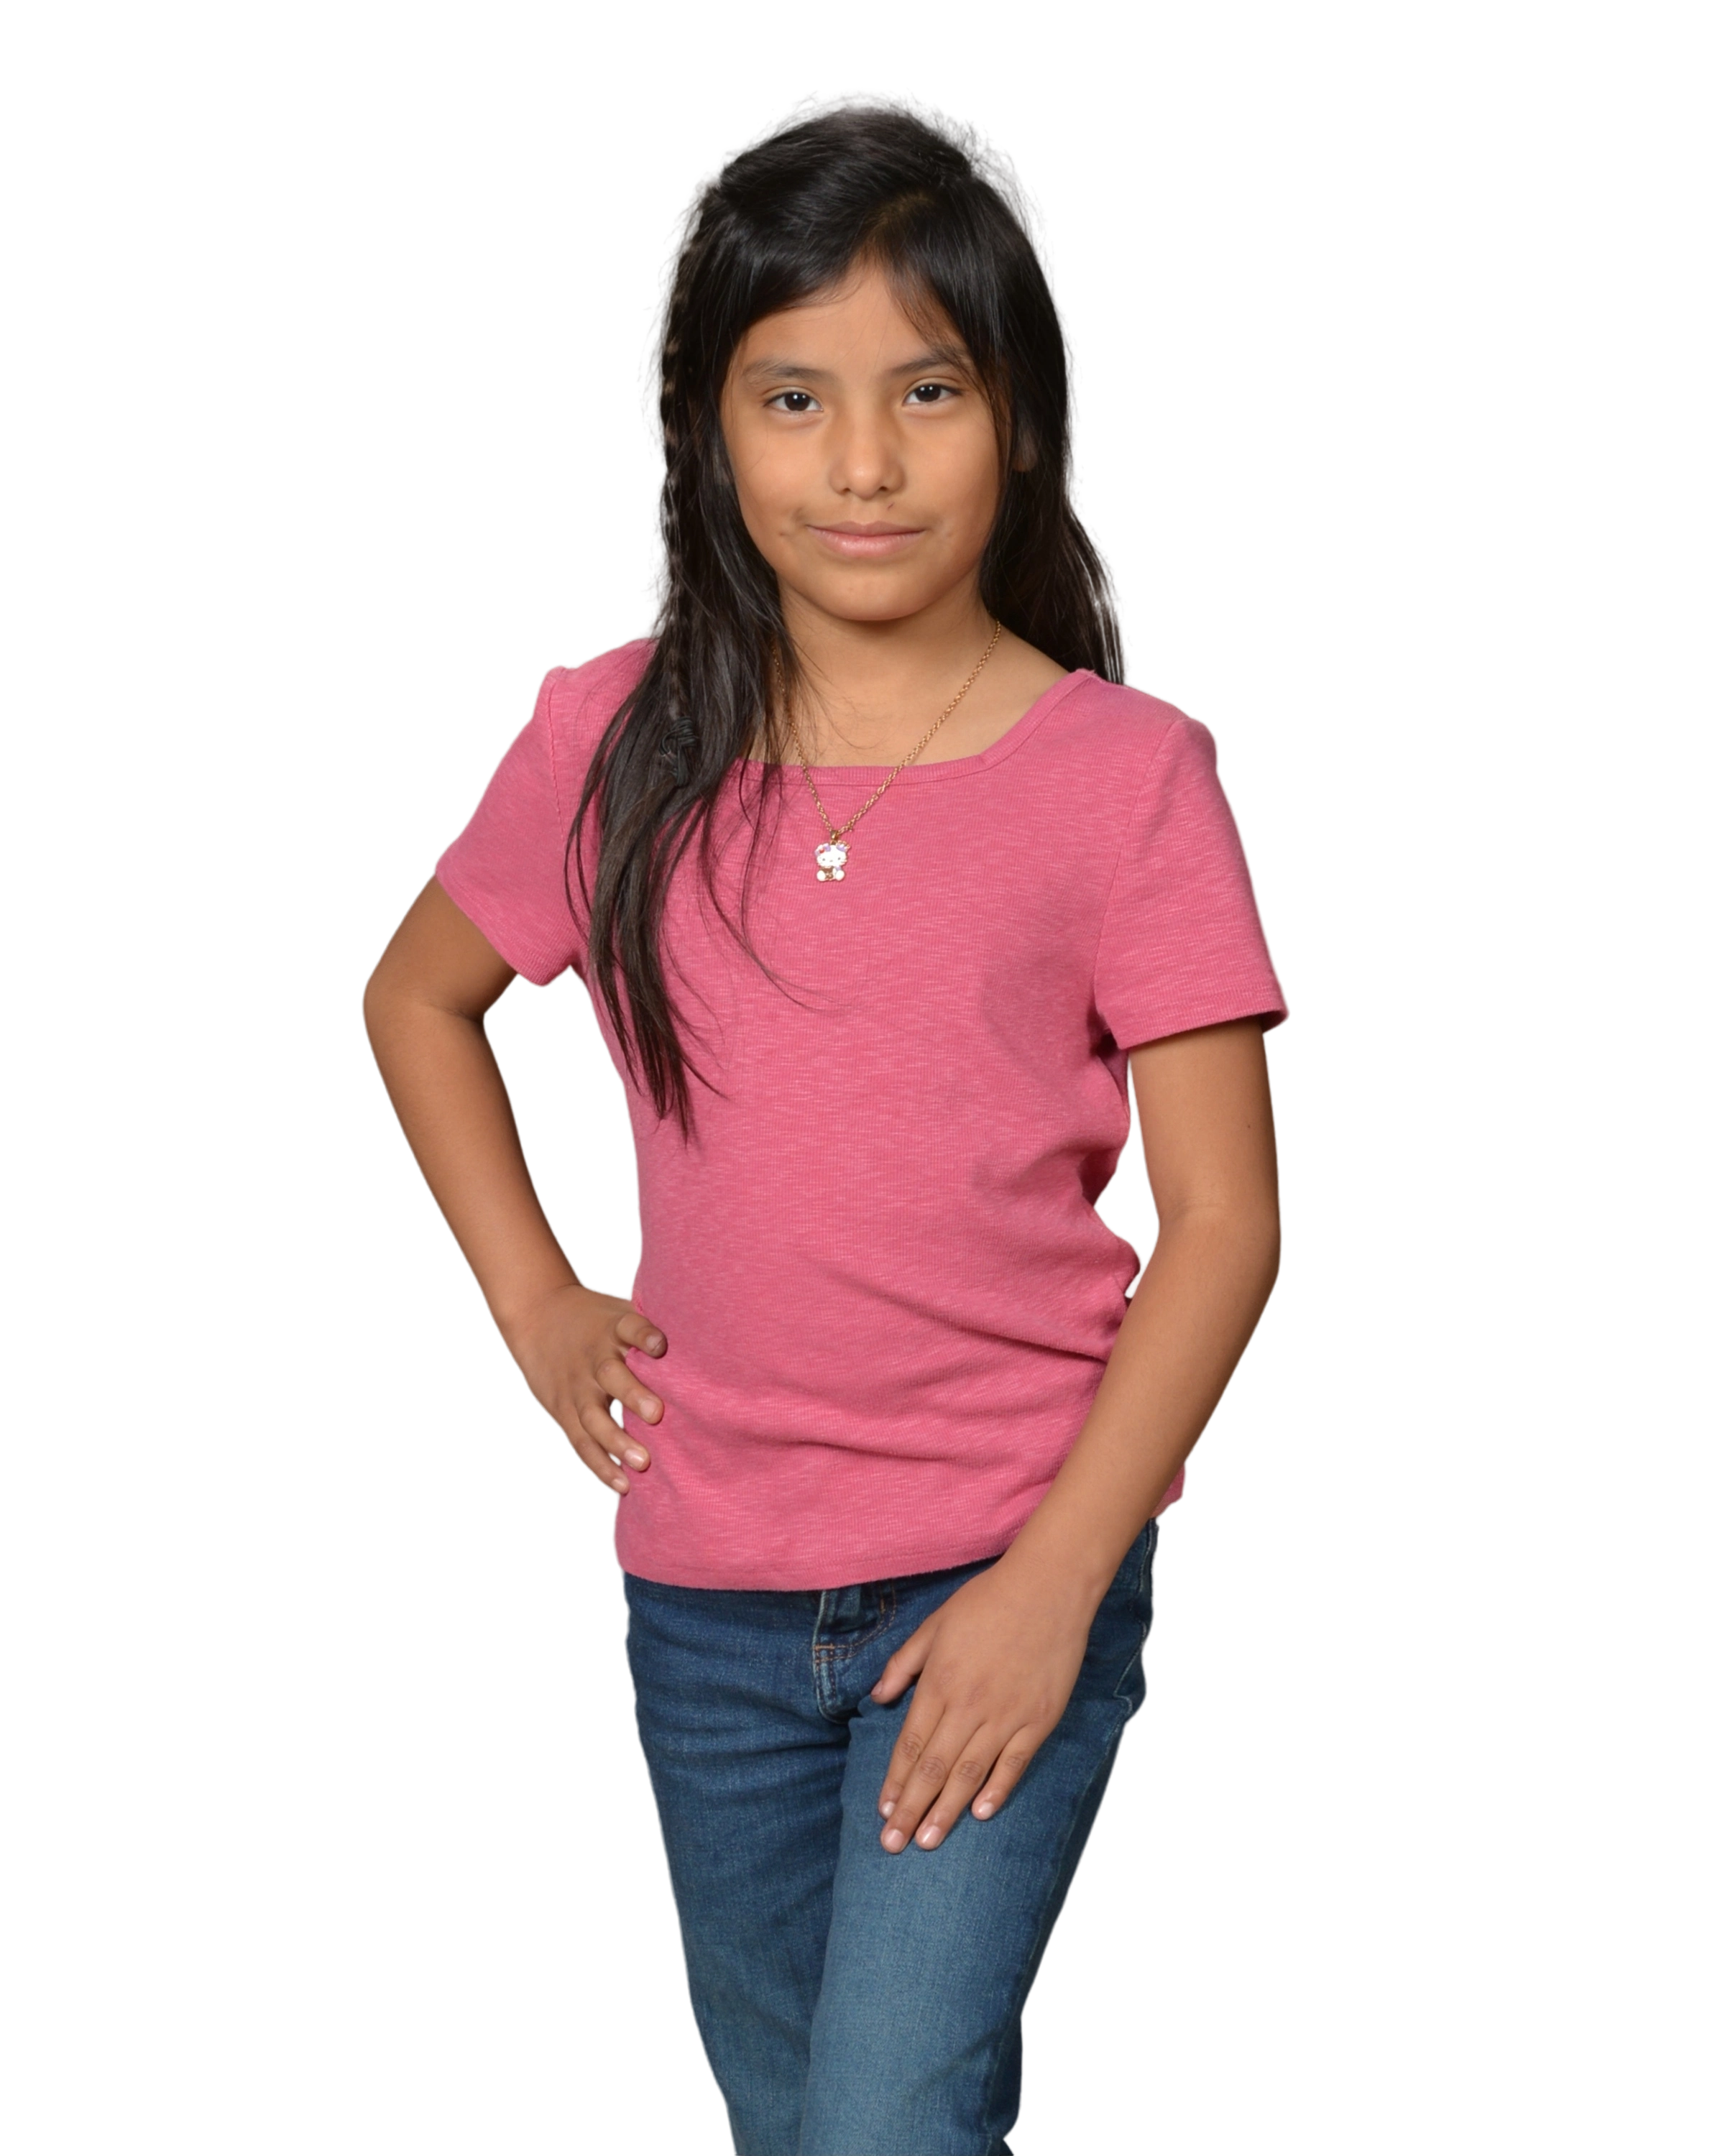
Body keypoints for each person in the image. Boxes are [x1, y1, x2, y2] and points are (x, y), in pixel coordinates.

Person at [361, 84, 1290, 2156]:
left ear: (1023, 415)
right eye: (793, 398)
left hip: (1004, 1559)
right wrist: (534, 1304)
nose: (861, 464)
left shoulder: (1126, 777)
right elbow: (415, 997)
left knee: (888, 2127)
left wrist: (1055, 1585)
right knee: (798, 2123)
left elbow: (1229, 1221)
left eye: (927, 391)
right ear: (705, 428)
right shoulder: (612, 734)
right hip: (707, 1594)